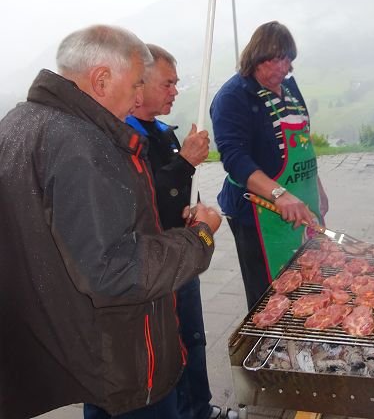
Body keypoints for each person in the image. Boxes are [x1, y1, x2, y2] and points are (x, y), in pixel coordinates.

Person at [0, 25, 221, 419]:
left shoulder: (18, 121)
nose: (139, 97)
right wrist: (199, 238)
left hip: (76, 341)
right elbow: (115, 270)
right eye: (136, 84)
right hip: (120, 350)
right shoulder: (84, 145)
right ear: (101, 79)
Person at [121, 44, 224, 419]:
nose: (175, 92)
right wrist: (184, 162)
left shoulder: (164, 133)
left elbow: (176, 194)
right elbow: (141, 200)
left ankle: (200, 408)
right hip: (154, 264)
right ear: (140, 83)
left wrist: (194, 210)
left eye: (176, 83)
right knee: (168, 347)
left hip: (182, 252)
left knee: (193, 337)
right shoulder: (123, 137)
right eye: (167, 84)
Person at [211, 21, 328, 310]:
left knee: (311, 280)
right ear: (255, 56)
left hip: (302, 203)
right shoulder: (233, 97)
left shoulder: (289, 89)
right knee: (270, 297)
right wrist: (279, 194)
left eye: (287, 59)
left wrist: (317, 189)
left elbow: (304, 143)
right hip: (258, 212)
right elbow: (234, 158)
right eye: (273, 60)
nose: (282, 68)